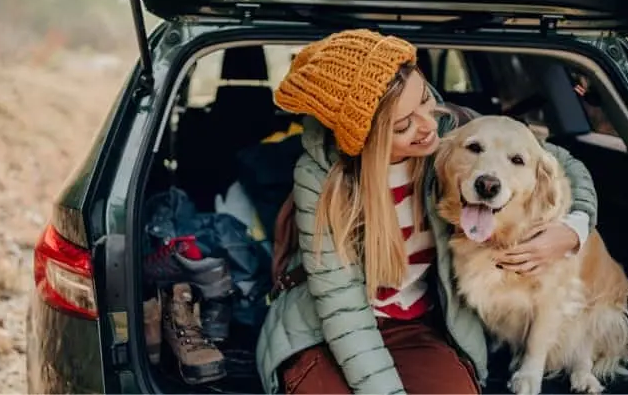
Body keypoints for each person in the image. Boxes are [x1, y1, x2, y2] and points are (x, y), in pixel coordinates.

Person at [255, 29, 598, 394]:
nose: (428, 124)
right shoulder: (321, 178)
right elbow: (343, 314)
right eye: (403, 125)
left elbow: (563, 165)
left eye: (424, 99)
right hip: (326, 328)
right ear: (365, 139)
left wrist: (574, 229)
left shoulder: (457, 133)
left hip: (419, 324)